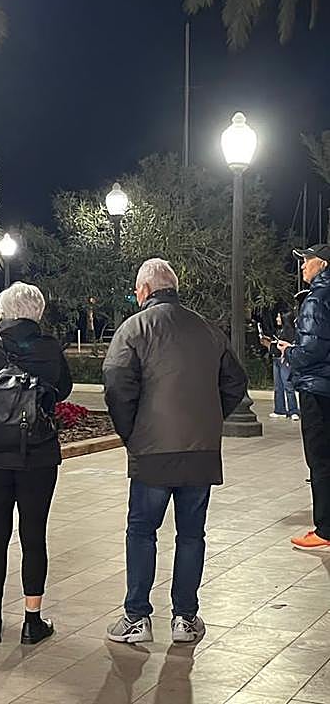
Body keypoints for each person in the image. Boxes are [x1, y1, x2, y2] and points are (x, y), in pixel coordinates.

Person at [102, 259, 247, 644]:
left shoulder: (134, 329)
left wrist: (130, 431)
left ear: (147, 290)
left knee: (142, 531)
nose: (136, 296)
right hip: (200, 452)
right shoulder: (207, 329)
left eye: (137, 290)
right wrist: (210, 418)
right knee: (191, 534)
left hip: (152, 451)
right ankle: (185, 618)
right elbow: (235, 382)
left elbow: (116, 383)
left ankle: (137, 617)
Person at [0, 282, 73, 646]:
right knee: (33, 534)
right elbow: (65, 388)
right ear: (37, 312)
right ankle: (31, 621)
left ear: (3, 311)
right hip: (37, 454)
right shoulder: (48, 349)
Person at [278, 244, 330, 552]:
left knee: (319, 460)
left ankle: (324, 527)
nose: (302, 267)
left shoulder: (315, 300)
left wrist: (289, 353)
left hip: (317, 388)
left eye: (306, 261)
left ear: (321, 264)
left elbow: (311, 349)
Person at [262, 309, 300, 421]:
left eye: (279, 317)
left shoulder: (290, 332)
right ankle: (279, 409)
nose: (277, 319)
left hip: (285, 360)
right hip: (276, 359)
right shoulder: (279, 331)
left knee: (288, 385)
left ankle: (293, 410)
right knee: (278, 386)